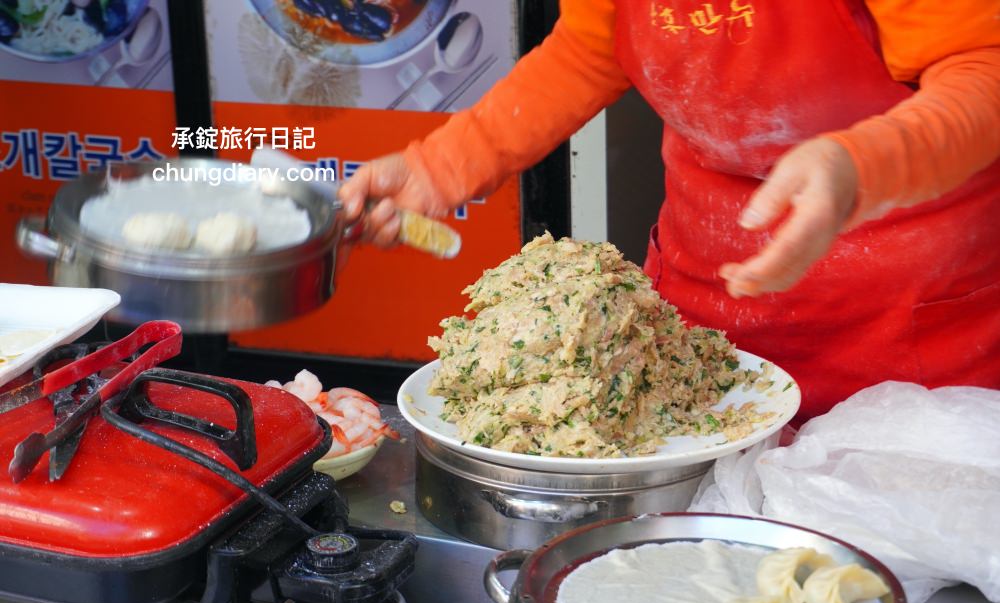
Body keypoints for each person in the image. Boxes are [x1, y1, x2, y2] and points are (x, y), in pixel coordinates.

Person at [339, 0, 1000, 419]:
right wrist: (442, 167)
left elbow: (984, 69)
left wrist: (864, 166)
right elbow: (588, 48)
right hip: (705, 315)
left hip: (910, 330)